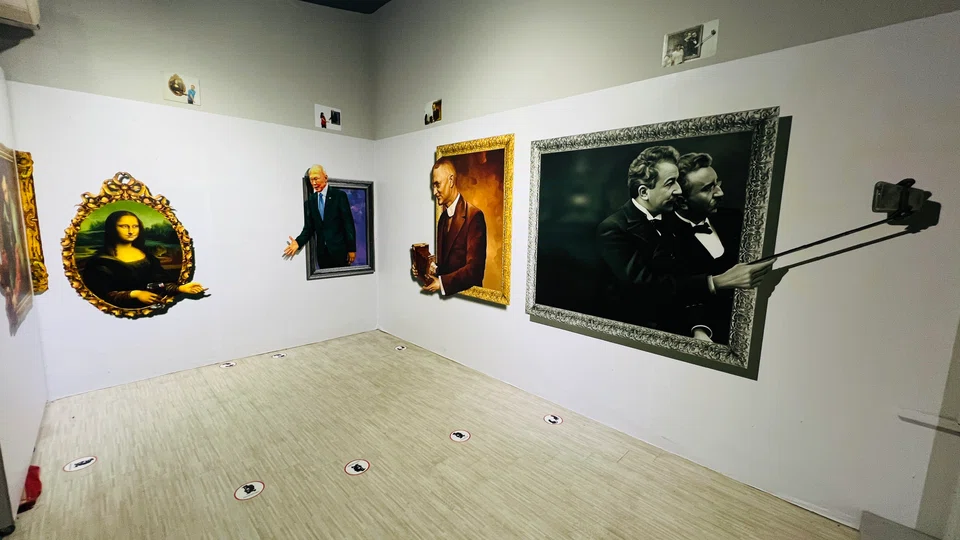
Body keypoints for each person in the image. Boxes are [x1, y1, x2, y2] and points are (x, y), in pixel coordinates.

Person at [664, 152, 774, 343]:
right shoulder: (662, 236)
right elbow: (674, 296)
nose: (720, 193)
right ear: (682, 202)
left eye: (717, 184)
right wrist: (698, 329)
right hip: (713, 333)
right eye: (708, 189)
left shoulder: (734, 218)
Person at [80, 210, 205, 308]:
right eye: (124, 226)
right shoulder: (98, 262)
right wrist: (135, 294)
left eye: (135, 226)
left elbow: (159, 283)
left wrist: (180, 288)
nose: (131, 231)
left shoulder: (148, 256)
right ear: (112, 228)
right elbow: (101, 295)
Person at [414, 157, 486, 296]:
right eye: (433, 186)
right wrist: (424, 268)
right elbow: (445, 265)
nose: (434, 192)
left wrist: (441, 283)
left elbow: (475, 270)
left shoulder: (474, 216)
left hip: (469, 301)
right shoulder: (443, 219)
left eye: (437, 185)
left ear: (451, 181)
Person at [283, 164, 357, 268]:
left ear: (325, 178)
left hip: (340, 252)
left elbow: (348, 224)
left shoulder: (339, 196)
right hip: (322, 254)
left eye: (316, 179)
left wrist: (351, 249)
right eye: (311, 180)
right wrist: (298, 242)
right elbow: (309, 228)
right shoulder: (310, 201)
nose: (314, 183)